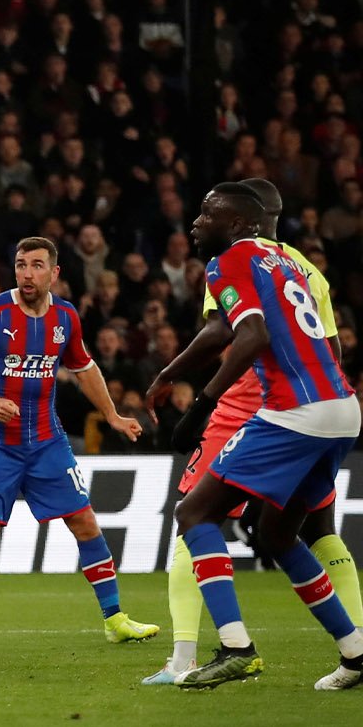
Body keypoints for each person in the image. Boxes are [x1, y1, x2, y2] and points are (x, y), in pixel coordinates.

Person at [142, 177, 363, 684]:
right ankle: (355, 653)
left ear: (238, 223)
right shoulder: (292, 262)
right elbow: (238, 331)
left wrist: (200, 405)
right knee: (280, 533)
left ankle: (234, 647)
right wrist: (169, 374)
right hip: (342, 407)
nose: (196, 223)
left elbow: (249, 334)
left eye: (207, 214)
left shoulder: (228, 261)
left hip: (291, 411)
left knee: (194, 512)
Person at [0, 237, 157, 646]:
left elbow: (84, 367)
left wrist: (112, 415)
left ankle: (115, 619)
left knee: (85, 522)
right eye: (21, 264)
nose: (27, 273)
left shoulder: (66, 317)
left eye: (37, 265)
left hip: (46, 441)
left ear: (54, 273)